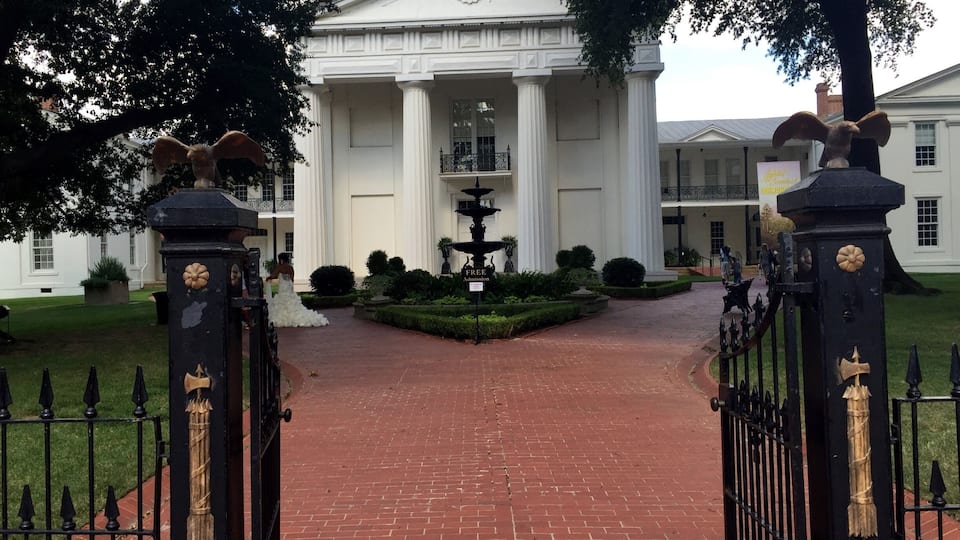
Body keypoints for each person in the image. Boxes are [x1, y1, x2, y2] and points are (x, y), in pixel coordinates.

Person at [265, 253, 329, 328]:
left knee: (282, 300)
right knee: (291, 300)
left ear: (281, 259)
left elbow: (274, 275)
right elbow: (292, 279)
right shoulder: (291, 268)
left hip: (283, 287)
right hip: (289, 286)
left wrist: (268, 278)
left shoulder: (280, 267)